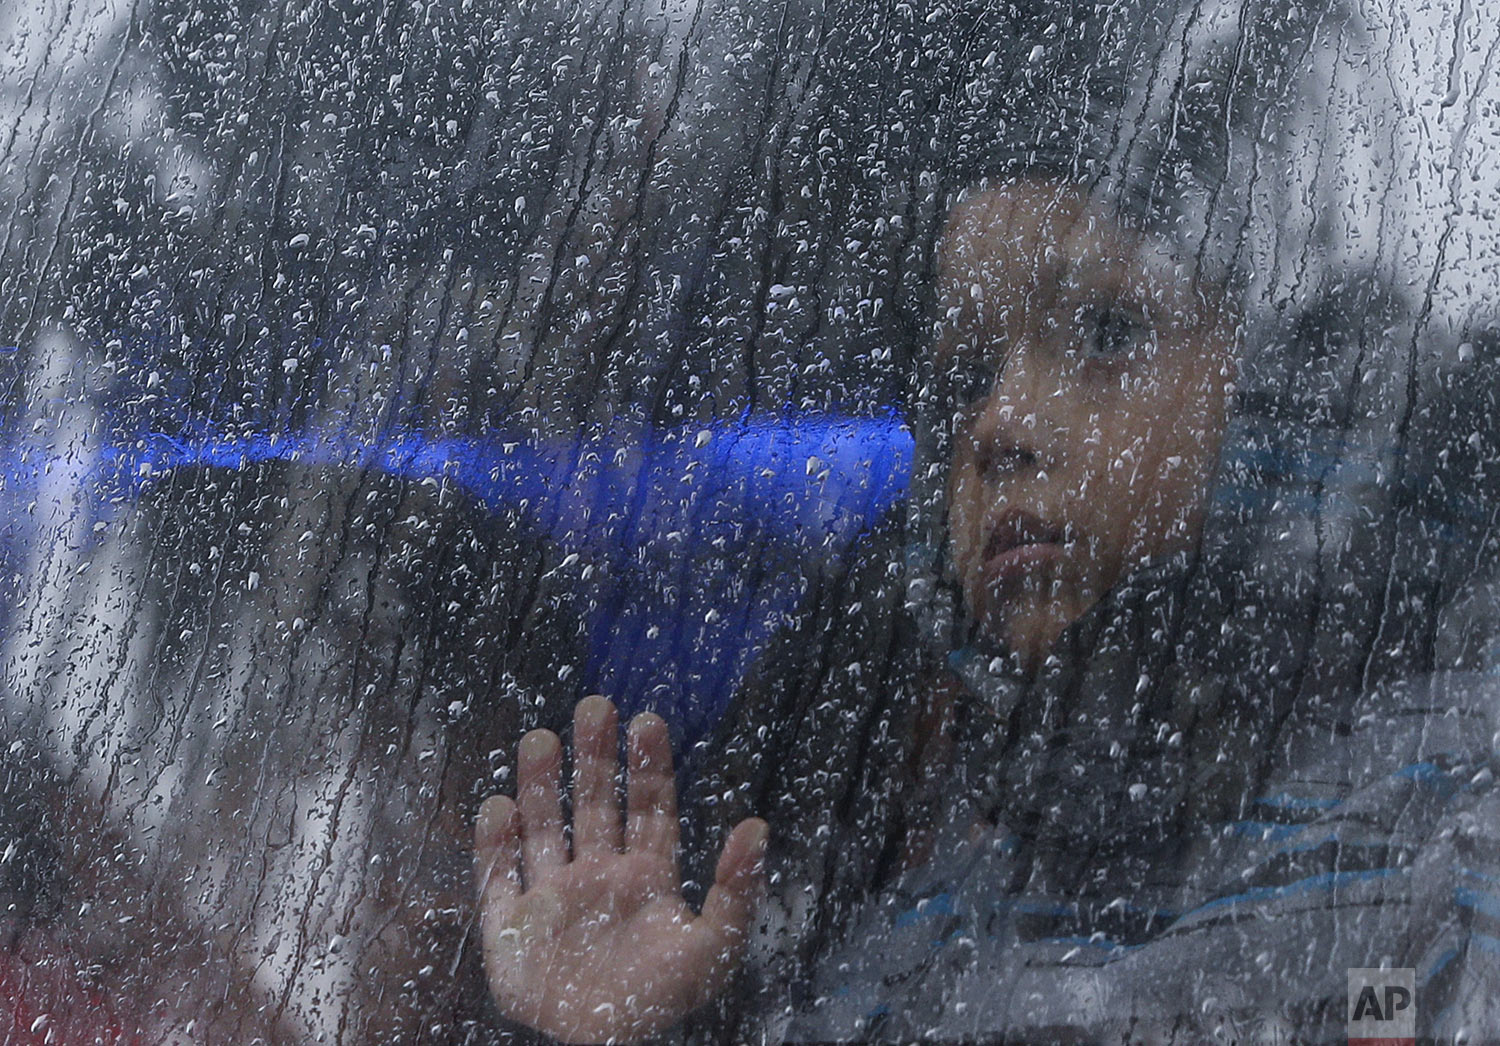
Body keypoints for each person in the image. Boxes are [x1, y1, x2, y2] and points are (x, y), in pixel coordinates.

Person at [472, 2, 1500, 1042]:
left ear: (1280, 379)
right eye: (964, 373)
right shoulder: (920, 945)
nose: (996, 423)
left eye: (1105, 329)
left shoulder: (1445, 842)